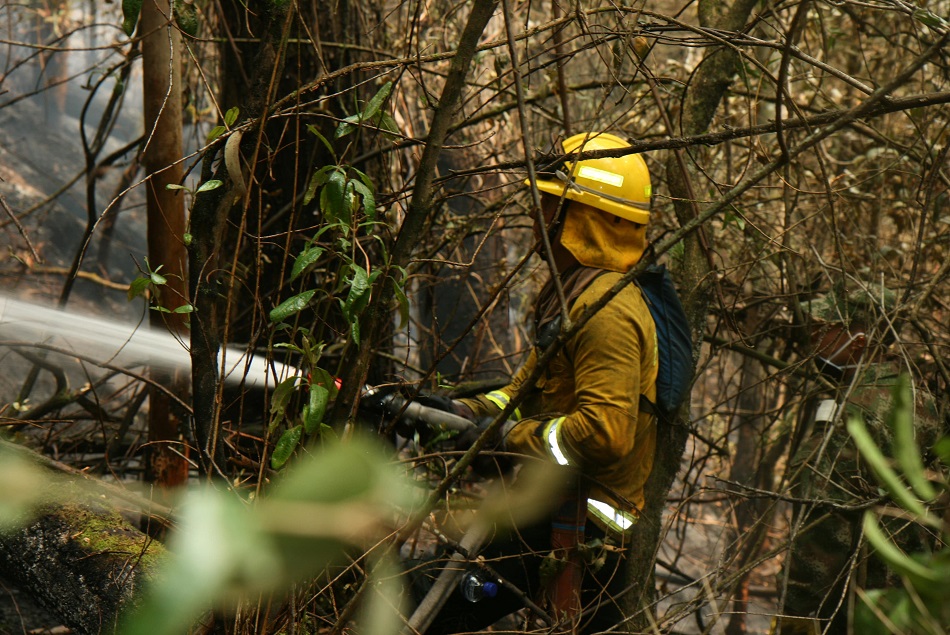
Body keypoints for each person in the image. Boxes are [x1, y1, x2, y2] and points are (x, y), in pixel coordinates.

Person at [412, 131, 661, 634]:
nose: (536, 215)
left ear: (582, 218)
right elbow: (522, 394)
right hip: (553, 507)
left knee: (412, 599)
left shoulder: (607, 313)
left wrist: (508, 438)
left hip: (580, 526)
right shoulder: (576, 295)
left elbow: (605, 433)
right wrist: (465, 414)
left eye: (548, 203)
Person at [774, 285, 942, 635]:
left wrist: (796, 608)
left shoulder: (856, 412)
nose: (814, 338)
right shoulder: (922, 399)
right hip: (913, 599)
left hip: (856, 602)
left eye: (826, 329)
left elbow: (825, 521)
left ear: (859, 341)